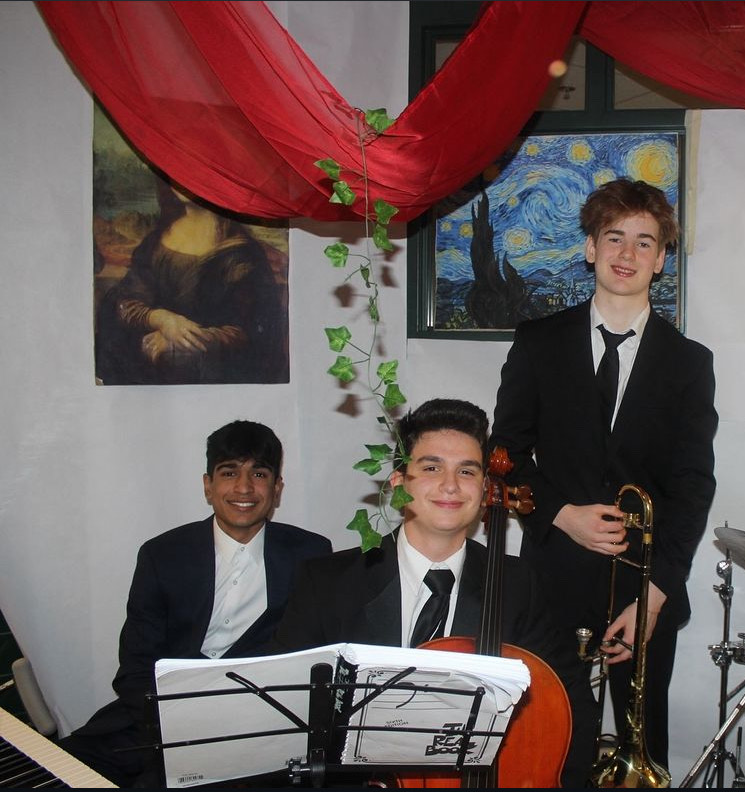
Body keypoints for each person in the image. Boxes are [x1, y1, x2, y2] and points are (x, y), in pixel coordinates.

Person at [489, 178, 718, 768]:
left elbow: (694, 483)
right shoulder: (538, 342)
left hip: (645, 589)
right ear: (590, 247)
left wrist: (657, 593)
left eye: (644, 242)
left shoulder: (690, 363)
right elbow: (504, 451)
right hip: (554, 585)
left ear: (661, 258)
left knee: (647, 749)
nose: (626, 254)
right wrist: (562, 516)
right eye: (614, 238)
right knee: (556, 744)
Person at [271, 398, 596, 788]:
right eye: (431, 467)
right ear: (397, 482)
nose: (450, 485)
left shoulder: (518, 586)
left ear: (485, 487)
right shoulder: (326, 582)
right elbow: (285, 719)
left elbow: (572, 708)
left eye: (467, 471)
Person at [57, 420, 332, 786]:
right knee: (58, 769)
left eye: (260, 474)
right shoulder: (162, 555)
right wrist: (173, 729)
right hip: (157, 720)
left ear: (277, 488)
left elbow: (312, 663)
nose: (244, 487)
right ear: (208, 485)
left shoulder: (311, 554)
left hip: (254, 731)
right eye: (229, 472)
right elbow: (135, 667)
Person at [95, 178, 287, 385]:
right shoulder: (157, 239)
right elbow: (124, 301)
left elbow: (253, 331)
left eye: (192, 172)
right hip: (147, 363)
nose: (181, 180)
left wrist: (180, 343)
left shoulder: (242, 254)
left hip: (213, 374)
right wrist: (161, 318)